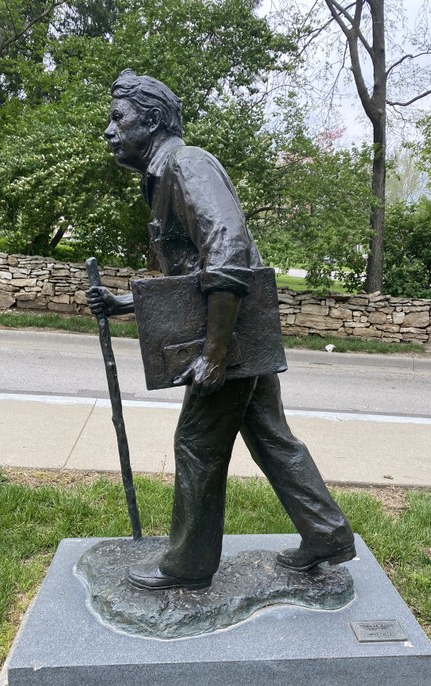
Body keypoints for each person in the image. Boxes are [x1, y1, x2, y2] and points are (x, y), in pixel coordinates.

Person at [87, 70, 356, 590]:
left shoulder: (187, 165)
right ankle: (327, 534)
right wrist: (127, 303)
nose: (110, 131)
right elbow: (192, 280)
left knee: (195, 443)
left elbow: (228, 256)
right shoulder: (166, 175)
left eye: (118, 118)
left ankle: (189, 565)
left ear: (153, 119)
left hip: (230, 340)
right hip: (243, 333)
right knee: (272, 436)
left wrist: (214, 353)